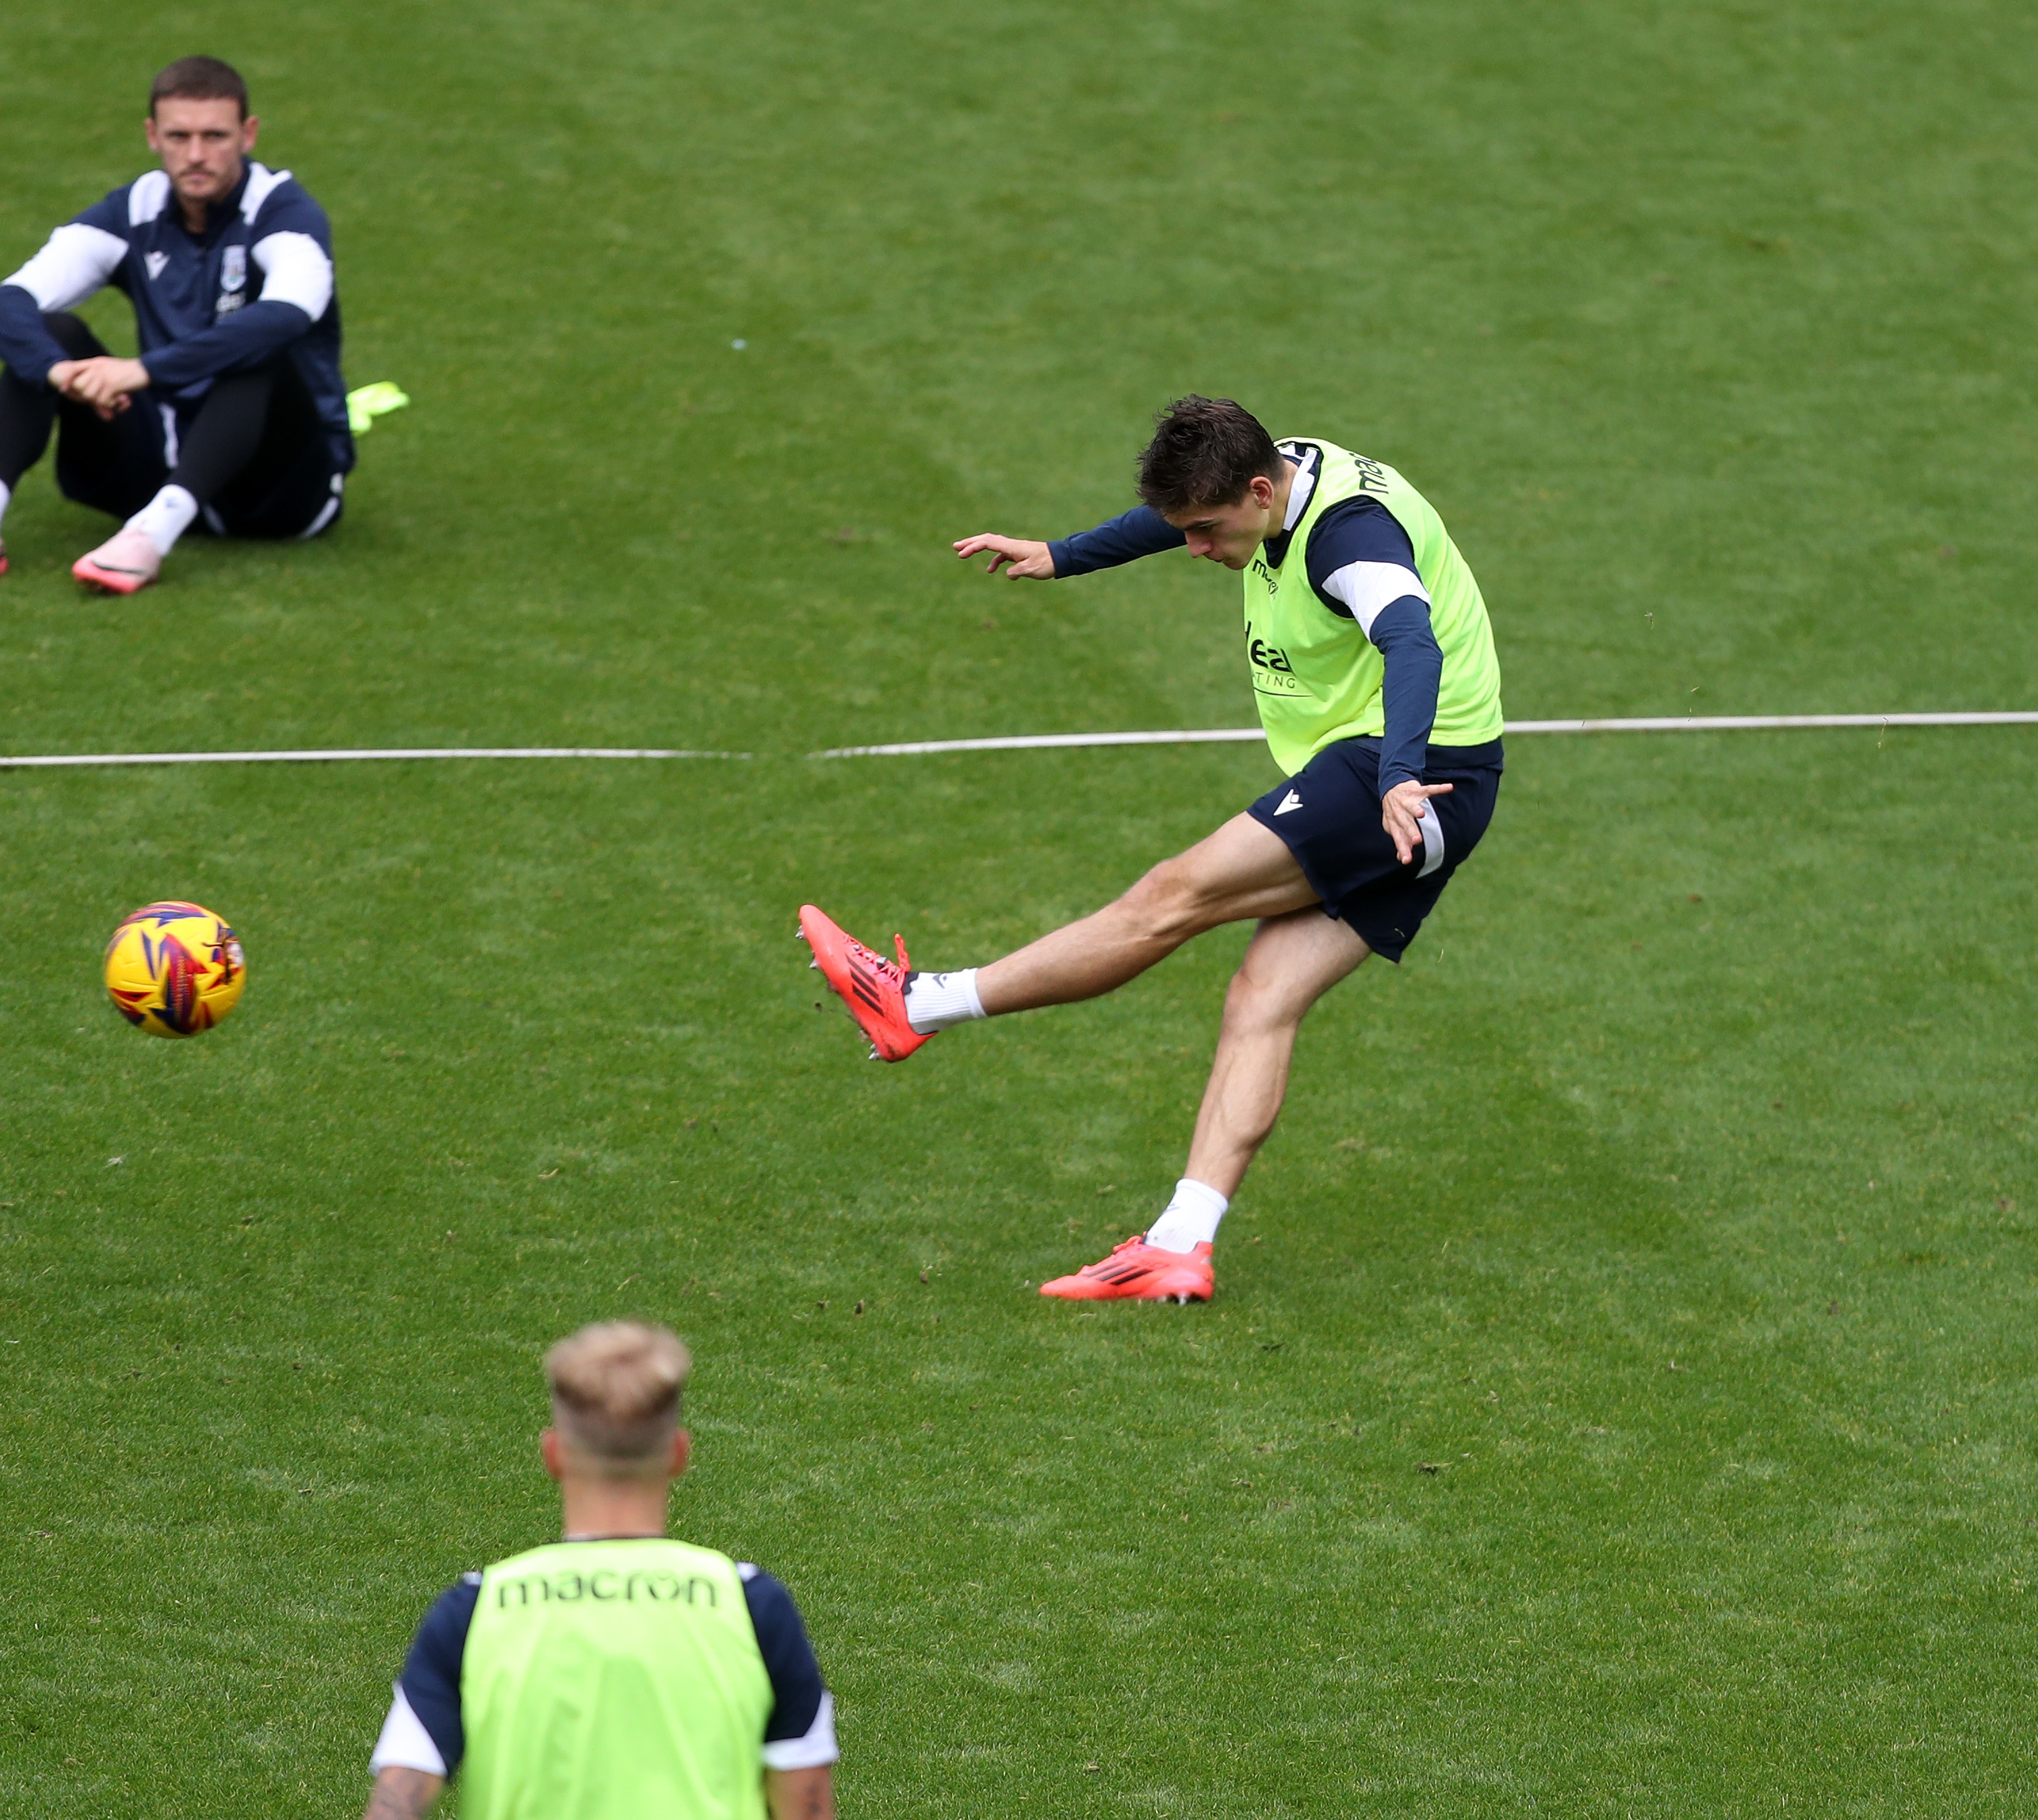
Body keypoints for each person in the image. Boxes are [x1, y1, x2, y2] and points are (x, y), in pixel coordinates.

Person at [799, 395, 1506, 1306]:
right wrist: (1062, 555)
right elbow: (1175, 510)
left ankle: (915, 1004)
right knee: (1261, 996)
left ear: (1259, 489)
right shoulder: (1275, 470)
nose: (1195, 550)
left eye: (1207, 531)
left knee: (1171, 896)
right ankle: (1180, 1245)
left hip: (1404, 773)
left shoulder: (1349, 541)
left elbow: (1408, 638)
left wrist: (1400, 772)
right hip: (1438, 784)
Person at [0, 56, 352, 596]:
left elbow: (289, 314)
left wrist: (143, 370)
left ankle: (150, 538)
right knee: (53, 333)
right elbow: (12, 301)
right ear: (153, 136)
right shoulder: (133, 210)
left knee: (260, 348)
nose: (196, 154)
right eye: (179, 136)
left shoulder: (284, 211)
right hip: (156, 464)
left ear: (248, 135)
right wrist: (59, 373)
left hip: (280, 490)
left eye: (214, 136)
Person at [361, 1322, 839, 1820]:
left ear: (553, 1454)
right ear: (679, 1453)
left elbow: (394, 1808)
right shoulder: (752, 1606)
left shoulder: (476, 1610)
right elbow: (807, 1810)